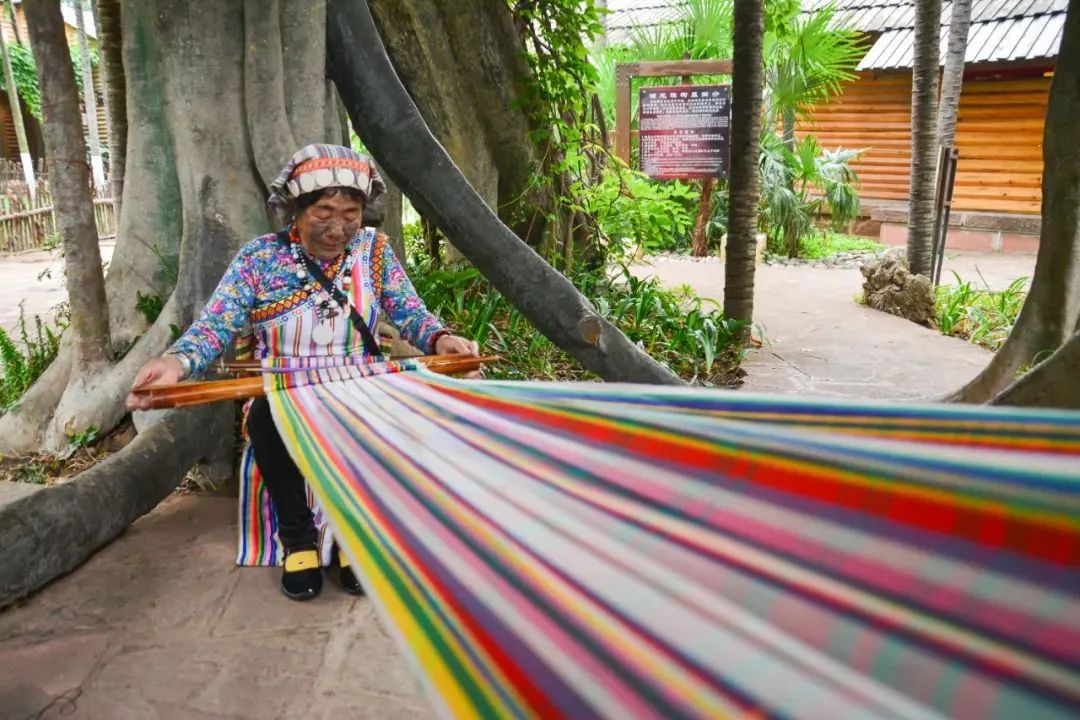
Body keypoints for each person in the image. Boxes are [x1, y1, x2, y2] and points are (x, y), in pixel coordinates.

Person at [126, 144, 478, 601]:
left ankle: (356, 536)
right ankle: (298, 540)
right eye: (324, 212)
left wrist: (438, 339)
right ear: (295, 210)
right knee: (268, 423)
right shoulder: (259, 259)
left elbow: (409, 312)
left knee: (380, 421)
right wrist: (175, 362)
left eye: (351, 213)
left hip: (359, 379)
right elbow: (216, 323)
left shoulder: (374, 252)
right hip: (282, 384)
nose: (338, 227)